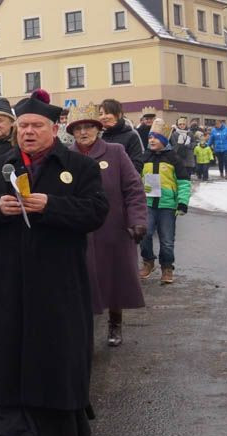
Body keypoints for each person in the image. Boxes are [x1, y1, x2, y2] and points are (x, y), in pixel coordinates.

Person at [0, 88, 108, 436]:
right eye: (22, 125)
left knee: (56, 354)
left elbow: (95, 212)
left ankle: (60, 428)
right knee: (10, 355)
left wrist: (51, 205)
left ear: (53, 128)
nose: (28, 131)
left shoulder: (79, 167)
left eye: (36, 126)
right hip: (11, 281)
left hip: (60, 281)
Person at [66, 103, 147, 347]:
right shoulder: (65, 157)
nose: (84, 132)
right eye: (78, 128)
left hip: (113, 228)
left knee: (114, 278)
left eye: (89, 126)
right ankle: (84, 329)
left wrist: (137, 220)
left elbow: (133, 189)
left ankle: (115, 323)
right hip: (78, 230)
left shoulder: (116, 152)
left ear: (98, 128)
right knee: (82, 281)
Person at [139, 118, 191, 285]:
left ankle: (167, 267)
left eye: (156, 138)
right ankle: (148, 261)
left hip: (167, 206)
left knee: (167, 239)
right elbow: (135, 179)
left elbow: (183, 182)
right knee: (144, 234)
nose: (152, 140)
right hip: (147, 203)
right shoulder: (144, 157)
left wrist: (182, 202)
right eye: (150, 138)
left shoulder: (173, 158)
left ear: (164, 140)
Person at [99, 99, 145, 173]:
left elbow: (137, 165)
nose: (103, 117)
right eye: (101, 114)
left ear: (119, 115)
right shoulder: (100, 136)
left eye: (107, 113)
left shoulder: (131, 135)